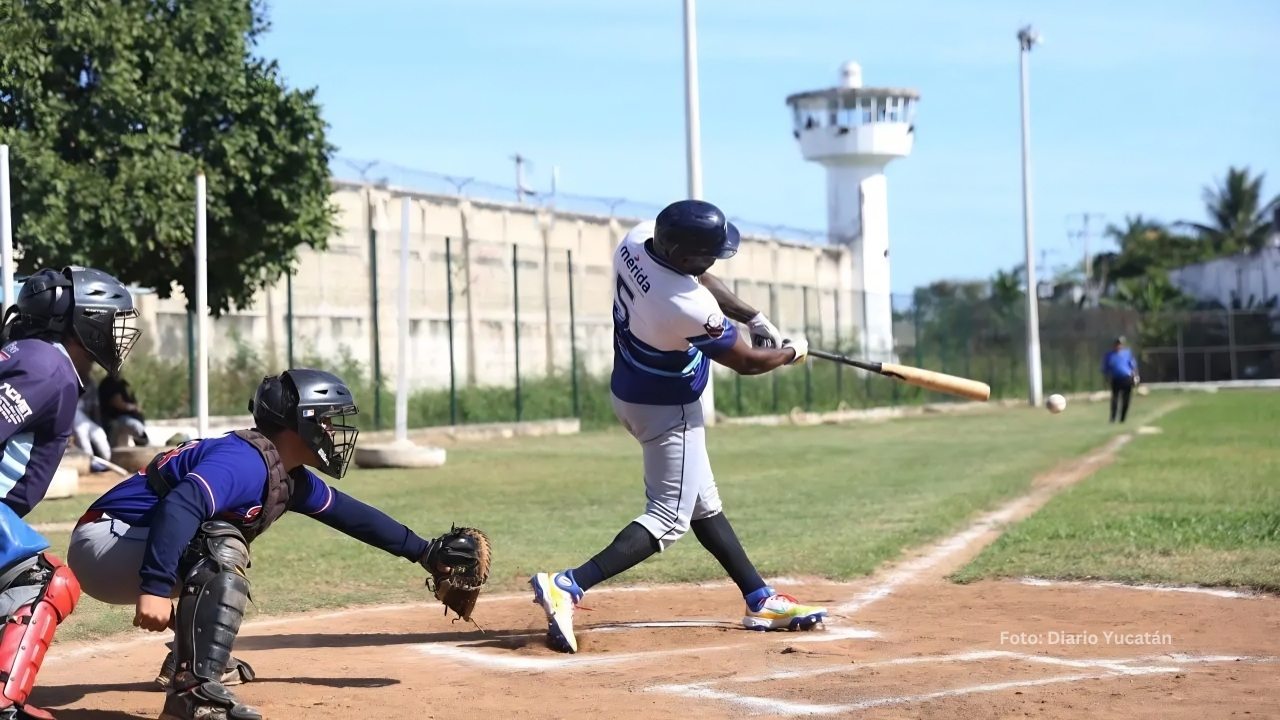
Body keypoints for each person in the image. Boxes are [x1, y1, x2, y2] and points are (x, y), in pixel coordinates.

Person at [67, 368, 480, 720]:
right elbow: (181, 504)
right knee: (220, 543)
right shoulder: (244, 462)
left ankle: (188, 661)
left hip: (130, 541)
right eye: (327, 421)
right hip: (106, 541)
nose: (335, 432)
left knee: (218, 541)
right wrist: (155, 588)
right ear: (298, 424)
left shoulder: (283, 472)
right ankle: (192, 690)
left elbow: (351, 515)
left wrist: (423, 551)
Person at [529, 199, 827, 654]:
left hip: (629, 393)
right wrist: (791, 353)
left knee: (703, 504)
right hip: (670, 409)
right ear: (684, 254)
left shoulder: (638, 239)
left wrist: (752, 317)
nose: (712, 262)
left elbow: (700, 276)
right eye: (707, 253)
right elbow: (745, 362)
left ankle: (759, 598)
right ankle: (568, 585)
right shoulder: (684, 305)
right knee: (669, 517)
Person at [0, 266, 139, 719]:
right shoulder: (46, 366)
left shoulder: (40, 359)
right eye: (108, 317)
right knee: (43, 580)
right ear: (81, 321)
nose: (117, 330)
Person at [98, 372, 149, 446]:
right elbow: (118, 404)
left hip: (126, 418)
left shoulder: (123, 383)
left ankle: (140, 444)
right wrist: (133, 407)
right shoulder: (109, 383)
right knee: (137, 427)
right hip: (114, 418)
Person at [73, 377, 112, 473]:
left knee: (100, 435)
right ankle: (91, 464)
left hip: (86, 421)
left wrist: (99, 425)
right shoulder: (71, 381)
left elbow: (96, 409)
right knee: (84, 443)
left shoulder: (91, 384)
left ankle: (103, 463)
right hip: (74, 422)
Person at [1102, 335, 1139, 423]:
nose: (1119, 346)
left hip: (1126, 378)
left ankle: (1122, 418)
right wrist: (1106, 379)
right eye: (1117, 344)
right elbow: (1106, 369)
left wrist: (1136, 376)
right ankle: (1113, 418)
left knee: (1126, 399)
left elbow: (1133, 366)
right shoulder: (1110, 355)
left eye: (1120, 344)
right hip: (1115, 379)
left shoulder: (1127, 353)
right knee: (1115, 399)